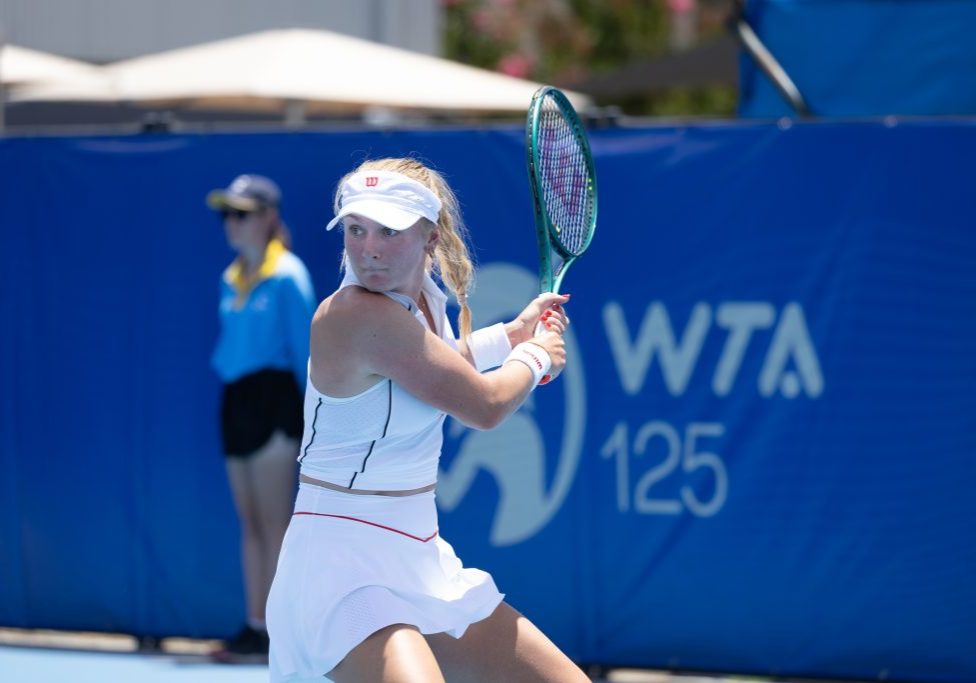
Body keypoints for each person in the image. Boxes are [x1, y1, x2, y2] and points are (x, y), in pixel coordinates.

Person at [265, 158, 588, 682]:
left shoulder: (423, 306)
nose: (369, 247)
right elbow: (484, 405)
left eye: (389, 230)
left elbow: (433, 364)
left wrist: (511, 335)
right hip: (339, 570)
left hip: (418, 556)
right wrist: (538, 357)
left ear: (428, 237)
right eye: (355, 229)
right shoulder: (354, 315)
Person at [206, 174, 317, 659]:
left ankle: (281, 633)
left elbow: (309, 355)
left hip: (276, 401)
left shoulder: (289, 275)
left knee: (275, 523)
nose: (232, 223)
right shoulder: (229, 278)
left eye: (242, 214)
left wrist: (314, 418)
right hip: (236, 401)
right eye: (226, 214)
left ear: (269, 218)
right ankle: (255, 625)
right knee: (249, 522)